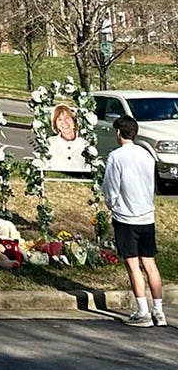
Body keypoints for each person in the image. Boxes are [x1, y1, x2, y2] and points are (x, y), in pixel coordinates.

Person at [102, 116, 166, 327]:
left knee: (132, 264)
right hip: (147, 215)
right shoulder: (147, 154)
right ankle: (159, 311)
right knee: (150, 263)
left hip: (126, 217)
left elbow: (111, 186)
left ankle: (143, 311)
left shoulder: (116, 156)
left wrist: (112, 204)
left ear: (119, 133)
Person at [46, 104, 90, 172]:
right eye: (59, 119)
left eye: (67, 118)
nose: (64, 122)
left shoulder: (85, 143)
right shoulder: (50, 143)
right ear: (56, 125)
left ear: (73, 121)